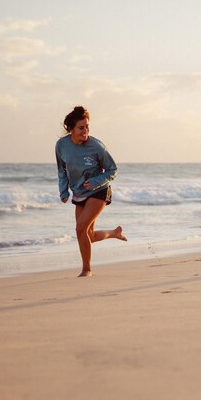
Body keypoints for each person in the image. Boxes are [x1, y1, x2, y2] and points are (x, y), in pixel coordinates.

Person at [55, 106, 126, 277]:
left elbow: (113, 170)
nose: (85, 131)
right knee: (89, 235)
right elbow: (61, 170)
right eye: (81, 127)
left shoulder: (96, 146)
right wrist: (63, 191)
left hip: (99, 190)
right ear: (70, 129)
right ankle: (114, 233)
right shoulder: (61, 145)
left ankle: (87, 269)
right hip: (79, 193)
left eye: (87, 126)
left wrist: (95, 181)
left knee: (80, 229)